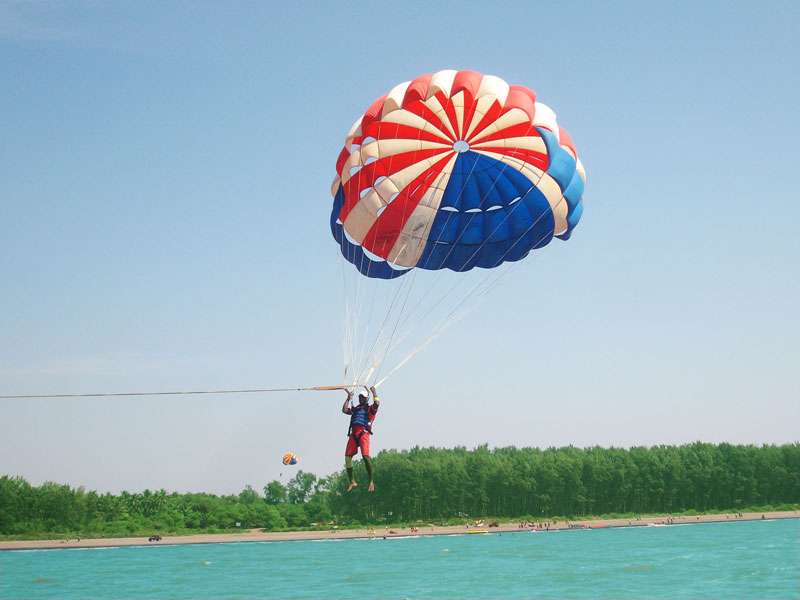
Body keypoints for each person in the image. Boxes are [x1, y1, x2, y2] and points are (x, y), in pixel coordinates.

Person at [342, 385, 379, 492]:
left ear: (366, 398)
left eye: (362, 397)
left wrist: (374, 392)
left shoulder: (370, 409)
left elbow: (377, 403)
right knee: (347, 458)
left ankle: (371, 481)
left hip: (363, 434)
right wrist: (348, 398)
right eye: (359, 397)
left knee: (365, 457)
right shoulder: (356, 409)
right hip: (353, 435)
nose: (360, 398)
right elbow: (344, 410)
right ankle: (352, 481)